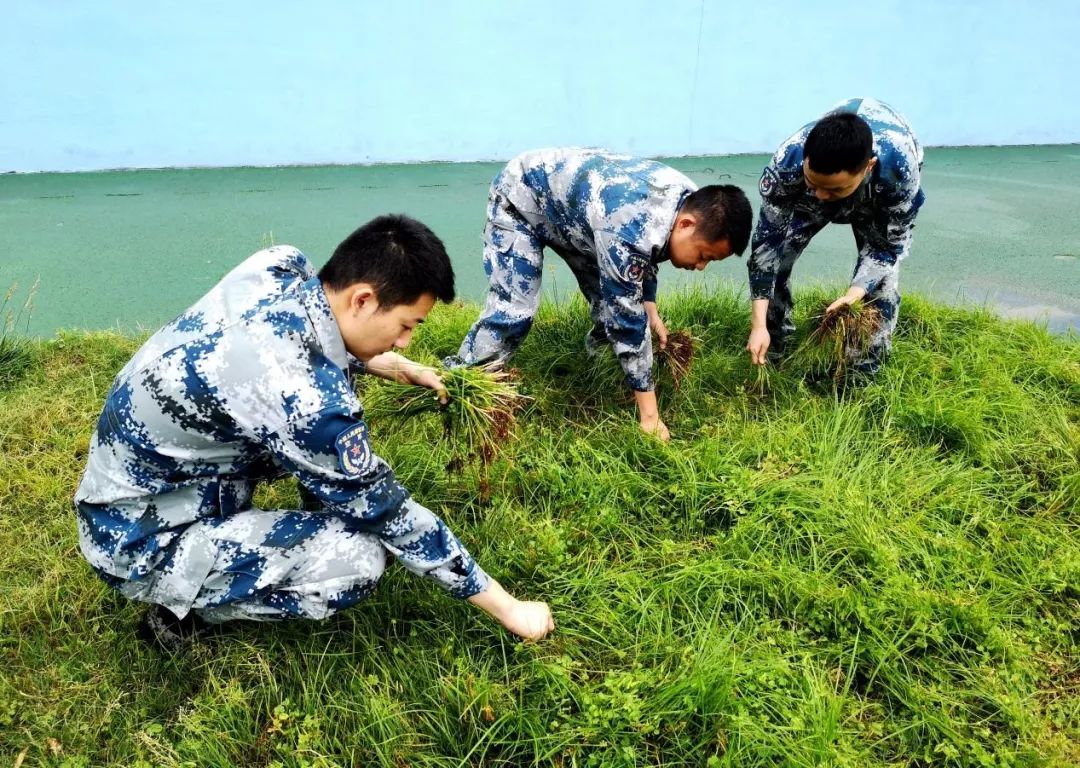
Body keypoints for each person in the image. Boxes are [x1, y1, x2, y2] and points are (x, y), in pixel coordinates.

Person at [74, 215, 554, 651]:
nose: (406, 341)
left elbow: (310, 335)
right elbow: (390, 513)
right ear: (362, 299)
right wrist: (510, 607)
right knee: (358, 559)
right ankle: (182, 610)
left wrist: (391, 363)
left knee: (326, 456)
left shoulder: (280, 266)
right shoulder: (303, 400)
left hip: (145, 483)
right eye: (406, 326)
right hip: (138, 540)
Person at [449, 147, 752, 441]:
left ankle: (604, 373)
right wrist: (650, 417)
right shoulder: (629, 227)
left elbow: (647, 255)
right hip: (522, 196)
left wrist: (650, 307)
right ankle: (461, 384)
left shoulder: (693, 204)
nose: (700, 267)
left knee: (613, 305)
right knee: (516, 309)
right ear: (686, 225)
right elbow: (627, 318)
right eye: (703, 256)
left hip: (583, 213)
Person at [746, 98, 925, 376]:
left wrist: (855, 294)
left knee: (880, 288)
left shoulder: (899, 169)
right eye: (813, 183)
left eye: (833, 190)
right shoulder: (788, 161)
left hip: (874, 198)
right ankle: (773, 348)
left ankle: (861, 374)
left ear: (868, 167)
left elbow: (887, 248)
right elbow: (767, 247)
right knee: (778, 261)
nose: (821, 196)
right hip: (808, 194)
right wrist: (758, 324)